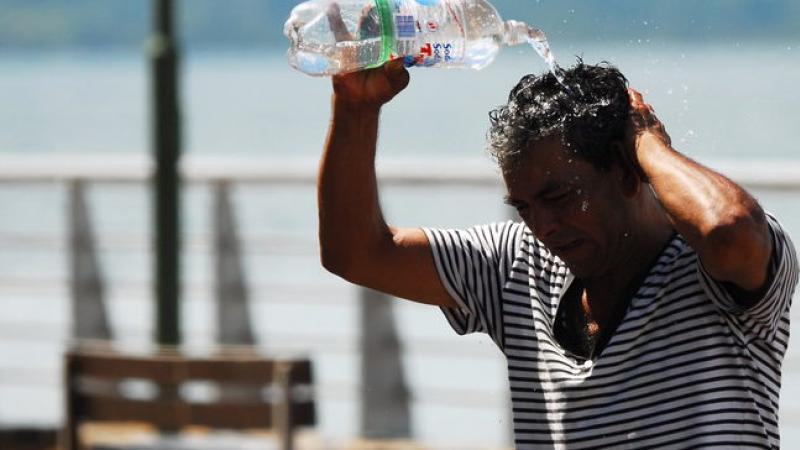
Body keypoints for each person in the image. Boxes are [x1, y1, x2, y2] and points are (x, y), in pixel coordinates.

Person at [317, 58, 798, 448]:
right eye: (524, 206)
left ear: (628, 173)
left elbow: (728, 229)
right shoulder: (515, 263)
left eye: (561, 197)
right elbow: (354, 252)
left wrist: (648, 140)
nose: (543, 226)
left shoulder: (713, 268)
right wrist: (355, 107)